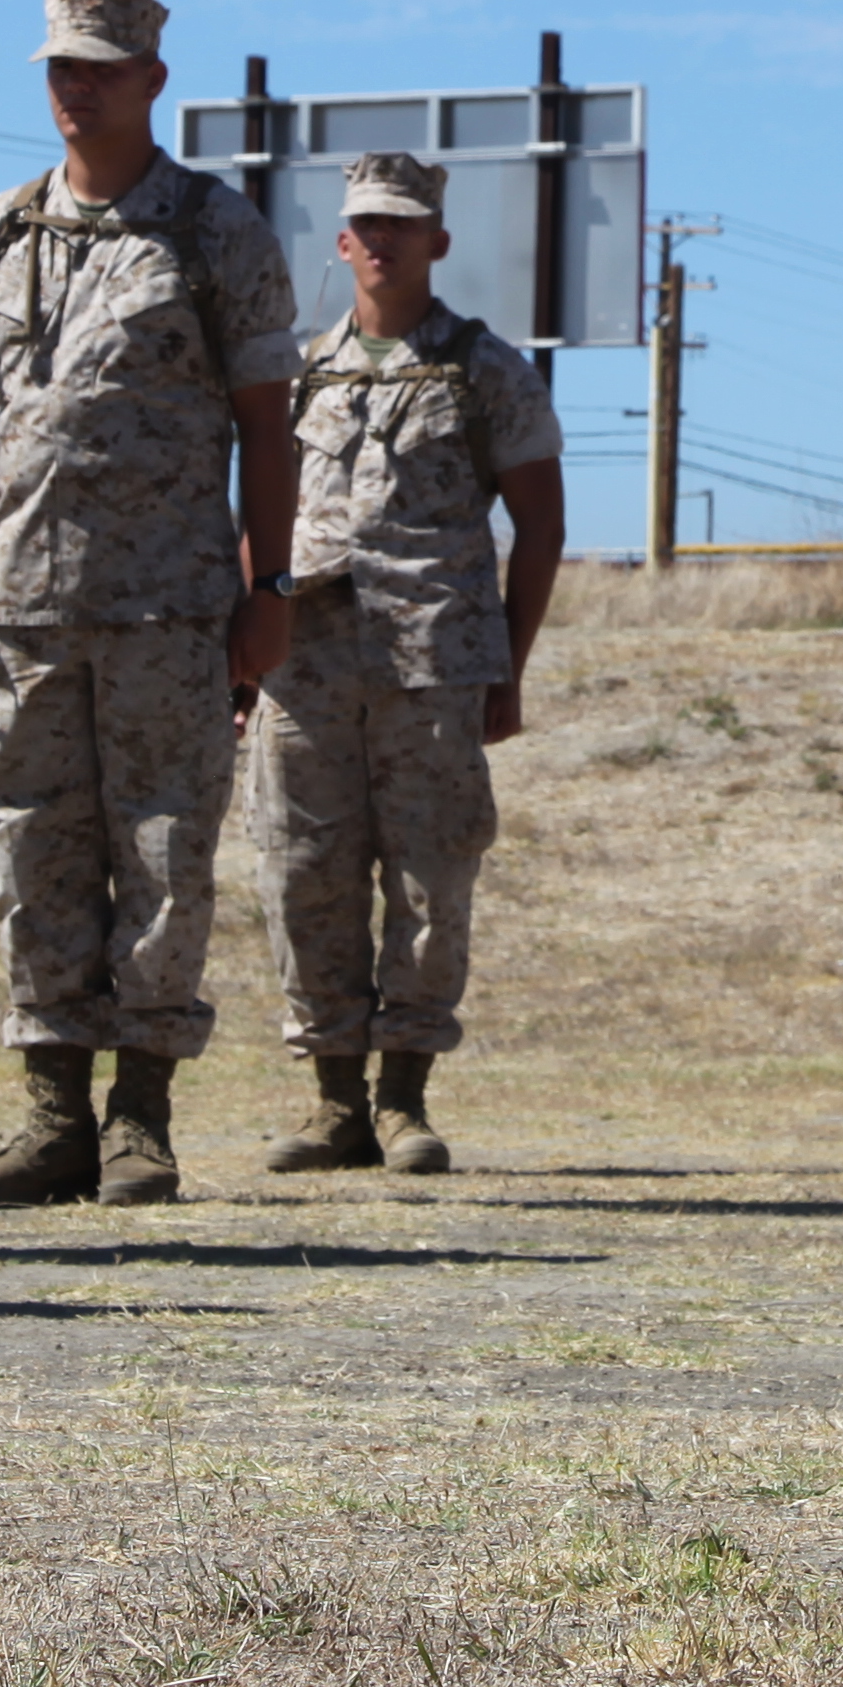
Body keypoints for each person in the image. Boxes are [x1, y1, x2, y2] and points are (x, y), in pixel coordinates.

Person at [0, 0, 301, 1208]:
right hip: (19, 612)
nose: (74, 87)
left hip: (170, 609)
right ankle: (50, 1114)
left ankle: (140, 1115)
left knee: (163, 856)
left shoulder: (213, 234)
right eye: (58, 69)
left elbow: (267, 429)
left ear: (150, 78)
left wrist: (269, 585)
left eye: (99, 67)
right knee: (30, 855)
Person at [252, 149, 563, 1177]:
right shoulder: (295, 373)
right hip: (307, 663)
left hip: (434, 657)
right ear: (341, 245)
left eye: (402, 224)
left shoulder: (486, 371)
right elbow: (256, 516)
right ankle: (334, 1101)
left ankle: (403, 1102)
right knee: (305, 874)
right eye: (365, 226)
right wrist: (246, 645)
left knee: (432, 874)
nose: (382, 241)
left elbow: (541, 523)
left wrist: (507, 665)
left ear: (438, 241)